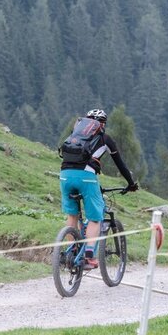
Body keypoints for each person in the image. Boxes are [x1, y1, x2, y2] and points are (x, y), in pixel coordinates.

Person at [58, 108, 138, 269]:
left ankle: (71, 251)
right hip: (86, 177)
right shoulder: (105, 138)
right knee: (95, 218)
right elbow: (120, 165)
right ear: (102, 124)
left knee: (72, 215)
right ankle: (89, 256)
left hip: (65, 175)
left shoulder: (74, 136)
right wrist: (131, 184)